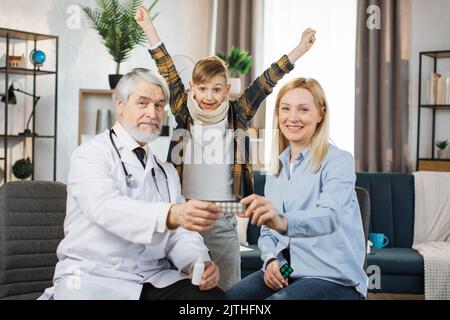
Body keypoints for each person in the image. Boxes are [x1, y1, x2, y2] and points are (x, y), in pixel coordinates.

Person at [135, 5, 316, 291]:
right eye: (203, 89)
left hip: (223, 217)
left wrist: (298, 50)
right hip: (185, 214)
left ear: (226, 90)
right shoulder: (183, 110)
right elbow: (167, 69)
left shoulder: (238, 112)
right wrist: (149, 29)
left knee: (229, 290)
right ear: (192, 88)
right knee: (185, 288)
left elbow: (266, 81)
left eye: (216, 89)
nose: (209, 96)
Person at [39, 69, 224, 300]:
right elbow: (104, 206)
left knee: (211, 299)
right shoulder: (90, 154)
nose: (152, 113)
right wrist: (168, 214)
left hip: (150, 277)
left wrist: (197, 262)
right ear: (120, 105)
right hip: (93, 277)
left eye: (159, 105)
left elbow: (180, 234)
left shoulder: (166, 172)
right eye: (143, 103)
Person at [226, 78, 368, 300]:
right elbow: (267, 232)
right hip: (289, 271)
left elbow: (328, 217)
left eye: (303, 109)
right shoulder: (277, 170)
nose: (292, 117)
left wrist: (281, 221)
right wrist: (272, 260)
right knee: (232, 298)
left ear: (320, 114)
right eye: (286, 109)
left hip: (332, 276)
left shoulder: (339, 161)